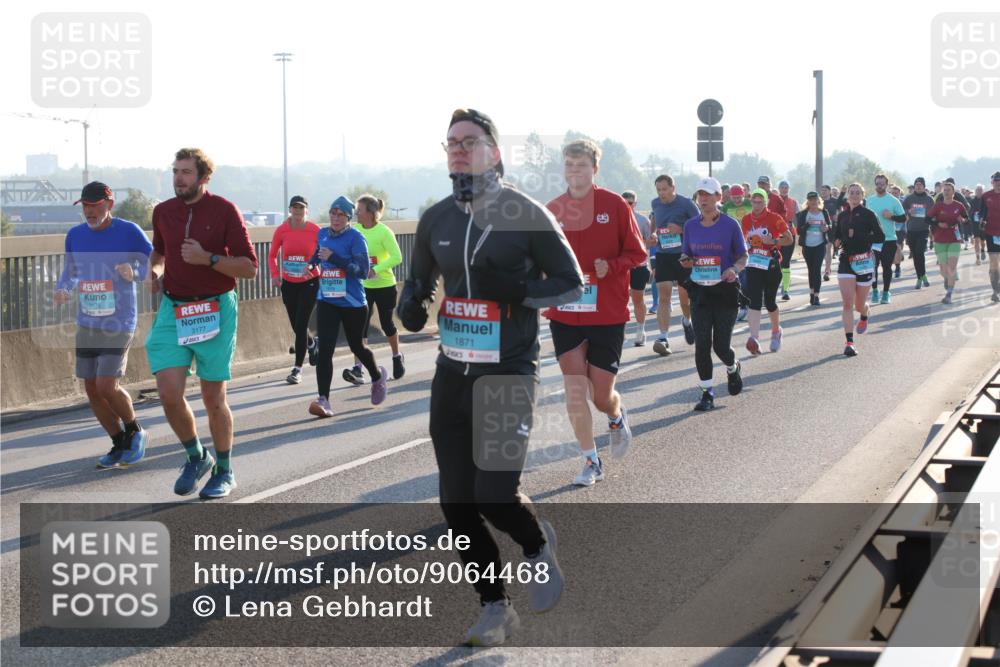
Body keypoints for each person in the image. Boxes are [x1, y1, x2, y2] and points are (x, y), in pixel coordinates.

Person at [397, 108, 581, 646]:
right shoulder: (435, 219)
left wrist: (516, 292)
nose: (458, 149)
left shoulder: (526, 213)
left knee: (495, 495)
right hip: (453, 371)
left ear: (494, 152)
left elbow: (570, 284)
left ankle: (535, 544)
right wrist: (413, 304)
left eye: (470, 142)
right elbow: (420, 281)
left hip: (509, 369)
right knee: (456, 503)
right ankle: (494, 607)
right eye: (451, 142)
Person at [145, 148, 258, 499]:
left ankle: (225, 469)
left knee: (212, 397)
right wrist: (156, 270)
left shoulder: (224, 211)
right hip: (173, 309)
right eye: (175, 172)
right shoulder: (163, 212)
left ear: (204, 177)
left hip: (214, 309)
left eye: (186, 172)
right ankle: (197, 456)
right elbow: (160, 251)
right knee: (167, 393)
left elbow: (249, 268)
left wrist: (208, 259)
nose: (179, 178)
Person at [544, 140, 646, 487]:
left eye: (581, 165)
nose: (574, 170)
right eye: (569, 164)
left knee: (600, 395)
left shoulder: (614, 205)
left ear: (595, 169)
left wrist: (612, 265)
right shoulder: (552, 209)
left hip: (607, 311)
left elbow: (638, 253)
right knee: (575, 389)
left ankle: (616, 416)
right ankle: (591, 461)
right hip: (565, 312)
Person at [55, 181, 153, 468]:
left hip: (119, 319)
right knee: (92, 390)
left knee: (107, 385)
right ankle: (118, 442)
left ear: (109, 205)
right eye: (85, 206)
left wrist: (133, 271)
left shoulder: (128, 231)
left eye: (95, 206)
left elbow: (156, 262)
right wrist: (64, 288)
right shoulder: (75, 236)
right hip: (87, 320)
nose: (89, 211)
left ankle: (135, 430)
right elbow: (70, 271)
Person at [307, 196, 388, 417]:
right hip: (327, 300)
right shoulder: (322, 233)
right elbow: (318, 252)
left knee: (357, 347)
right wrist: (312, 263)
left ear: (348, 217)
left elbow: (362, 271)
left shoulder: (356, 238)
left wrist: (336, 258)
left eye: (340, 214)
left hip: (352, 303)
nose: (335, 217)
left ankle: (377, 376)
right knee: (325, 350)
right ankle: (324, 400)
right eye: (332, 213)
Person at [678, 178, 747, 411]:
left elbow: (743, 257)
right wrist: (686, 261)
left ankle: (732, 366)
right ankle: (707, 393)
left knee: (720, 346)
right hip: (700, 291)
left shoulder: (730, 224)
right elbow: (685, 255)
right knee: (702, 344)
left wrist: (733, 269)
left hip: (725, 291)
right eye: (700, 194)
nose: (703, 199)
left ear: (719, 197)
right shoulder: (690, 226)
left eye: (708, 194)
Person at [342, 194, 406, 384]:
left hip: (385, 285)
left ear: (370, 213)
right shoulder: (354, 231)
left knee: (387, 324)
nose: (356, 214)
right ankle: (358, 369)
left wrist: (375, 269)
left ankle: (396, 356)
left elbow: (397, 257)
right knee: (360, 327)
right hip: (362, 287)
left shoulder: (384, 232)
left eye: (359, 210)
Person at [269, 195, 320, 385]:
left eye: (302, 208)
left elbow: (323, 254)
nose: (298, 211)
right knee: (296, 325)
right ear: (290, 210)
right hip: (289, 284)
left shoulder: (315, 230)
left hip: (310, 282)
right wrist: (275, 274)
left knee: (300, 325)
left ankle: (297, 369)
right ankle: (312, 344)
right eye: (295, 208)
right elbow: (272, 255)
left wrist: (314, 267)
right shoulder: (282, 230)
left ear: (307, 210)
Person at [648, 174, 699, 356]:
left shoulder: (686, 204)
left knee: (685, 296)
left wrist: (681, 229)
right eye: (659, 190)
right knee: (664, 296)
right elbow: (654, 220)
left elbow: (700, 225)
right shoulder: (655, 203)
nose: (662, 193)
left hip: (683, 255)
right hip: (663, 255)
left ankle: (686, 320)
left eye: (664, 189)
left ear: (673, 188)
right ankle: (663, 337)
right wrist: (653, 234)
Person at [833, 183, 884, 357]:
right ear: (847, 195)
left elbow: (880, 236)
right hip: (846, 260)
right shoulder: (843, 215)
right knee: (847, 303)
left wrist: (864, 237)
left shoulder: (869, 214)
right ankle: (849, 342)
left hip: (864, 261)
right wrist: (837, 241)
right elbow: (837, 234)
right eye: (851, 192)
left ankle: (864, 313)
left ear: (863, 195)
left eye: (857, 193)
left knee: (858, 305)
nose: (854, 195)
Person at [740, 188, 792, 354]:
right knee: (754, 300)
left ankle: (776, 332)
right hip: (754, 264)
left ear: (765, 202)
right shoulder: (746, 219)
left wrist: (774, 240)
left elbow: (789, 239)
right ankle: (754, 338)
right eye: (754, 202)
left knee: (769, 302)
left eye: (760, 202)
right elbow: (743, 239)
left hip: (771, 264)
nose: (756, 205)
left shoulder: (774, 218)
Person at [865, 174, 906, 304]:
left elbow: (903, 218)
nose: (880, 186)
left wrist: (891, 216)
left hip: (889, 239)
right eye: (877, 183)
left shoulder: (894, 200)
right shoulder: (869, 200)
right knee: (873, 267)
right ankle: (875, 291)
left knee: (887, 267)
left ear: (886, 185)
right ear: (875, 184)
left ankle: (886, 293)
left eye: (882, 183)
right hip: (873, 240)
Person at [927, 182, 968, 304]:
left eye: (949, 190)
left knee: (952, 267)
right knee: (943, 270)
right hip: (939, 239)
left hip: (954, 239)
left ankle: (949, 294)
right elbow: (927, 219)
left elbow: (967, 220)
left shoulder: (959, 206)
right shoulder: (938, 206)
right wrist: (938, 224)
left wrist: (963, 220)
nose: (946, 192)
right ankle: (948, 278)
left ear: (953, 193)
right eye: (944, 190)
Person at [623, 189, 654, 346]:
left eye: (630, 203)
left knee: (638, 299)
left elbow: (652, 241)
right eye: (624, 202)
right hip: (621, 267)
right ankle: (620, 332)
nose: (627, 205)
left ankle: (640, 331)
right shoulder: (614, 218)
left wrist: (639, 244)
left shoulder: (642, 221)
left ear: (635, 203)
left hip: (639, 265)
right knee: (620, 300)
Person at [795, 191, 832, 306]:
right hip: (807, 246)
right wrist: (807, 225)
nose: (813, 202)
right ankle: (811, 293)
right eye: (810, 200)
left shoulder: (824, 212)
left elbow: (830, 225)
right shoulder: (803, 214)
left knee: (817, 270)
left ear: (818, 200)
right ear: (808, 202)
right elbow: (798, 231)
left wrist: (826, 228)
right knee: (811, 270)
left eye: (815, 199)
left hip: (820, 245)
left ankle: (816, 296)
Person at [722, 185, 753, 320]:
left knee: (745, 275)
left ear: (743, 195)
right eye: (734, 198)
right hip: (732, 243)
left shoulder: (749, 203)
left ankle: (747, 306)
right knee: (737, 275)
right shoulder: (726, 207)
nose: (737, 200)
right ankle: (740, 305)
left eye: (739, 197)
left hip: (749, 241)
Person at [902, 177, 935, 289]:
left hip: (923, 230)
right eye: (916, 184)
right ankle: (920, 277)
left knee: (920, 252)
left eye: (920, 184)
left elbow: (933, 213)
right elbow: (902, 210)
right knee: (915, 255)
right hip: (911, 230)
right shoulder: (909, 198)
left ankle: (923, 275)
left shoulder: (929, 199)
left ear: (924, 186)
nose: (918, 186)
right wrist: (908, 211)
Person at [980, 172, 1000, 303]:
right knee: (994, 261)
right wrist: (982, 220)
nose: (998, 182)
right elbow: (982, 212)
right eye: (996, 180)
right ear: (992, 182)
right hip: (991, 232)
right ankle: (995, 291)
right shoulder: (986, 196)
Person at [777, 180, 799, 300]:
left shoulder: (793, 202)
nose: (784, 189)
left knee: (786, 262)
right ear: (779, 188)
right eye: (782, 187)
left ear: (789, 189)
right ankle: (774, 286)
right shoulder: (774, 201)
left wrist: (800, 233)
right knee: (776, 262)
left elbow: (797, 218)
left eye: (786, 187)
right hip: (776, 235)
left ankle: (785, 289)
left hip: (790, 235)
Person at [821, 185, 842, 283]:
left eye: (825, 190)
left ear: (829, 191)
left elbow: (840, 211)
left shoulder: (835, 201)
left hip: (832, 227)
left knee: (828, 247)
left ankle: (827, 270)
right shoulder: (819, 201)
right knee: (823, 249)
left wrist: (838, 216)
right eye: (822, 191)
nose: (823, 192)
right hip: (820, 228)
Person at [970, 184, 986, 265]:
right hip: (975, 224)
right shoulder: (972, 201)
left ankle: (983, 249)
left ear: (983, 192)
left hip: (983, 224)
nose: (979, 192)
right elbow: (969, 212)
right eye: (977, 190)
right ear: (975, 192)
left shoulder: (986, 200)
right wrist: (974, 214)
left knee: (983, 241)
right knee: (976, 240)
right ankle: (978, 258)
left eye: (980, 190)